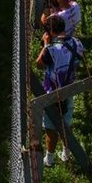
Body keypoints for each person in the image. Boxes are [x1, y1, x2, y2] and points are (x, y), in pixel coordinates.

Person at [35, 14, 85, 168]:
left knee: (51, 128)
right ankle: (67, 151)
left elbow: (39, 64)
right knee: (66, 123)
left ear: (50, 32)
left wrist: (45, 44)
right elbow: (79, 59)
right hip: (69, 89)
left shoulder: (51, 49)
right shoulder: (77, 43)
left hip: (51, 93)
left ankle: (49, 158)